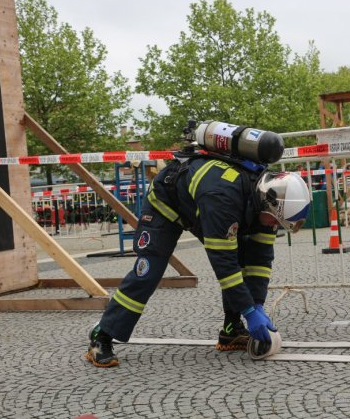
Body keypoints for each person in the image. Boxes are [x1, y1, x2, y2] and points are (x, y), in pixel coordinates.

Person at [86, 153, 311, 367]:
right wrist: (250, 312)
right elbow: (224, 264)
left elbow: (260, 261)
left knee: (242, 257)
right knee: (149, 271)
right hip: (166, 204)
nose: (274, 226)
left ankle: (231, 330)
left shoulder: (266, 204)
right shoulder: (223, 197)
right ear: (267, 204)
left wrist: (257, 305)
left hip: (199, 207)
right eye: (274, 221)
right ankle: (103, 334)